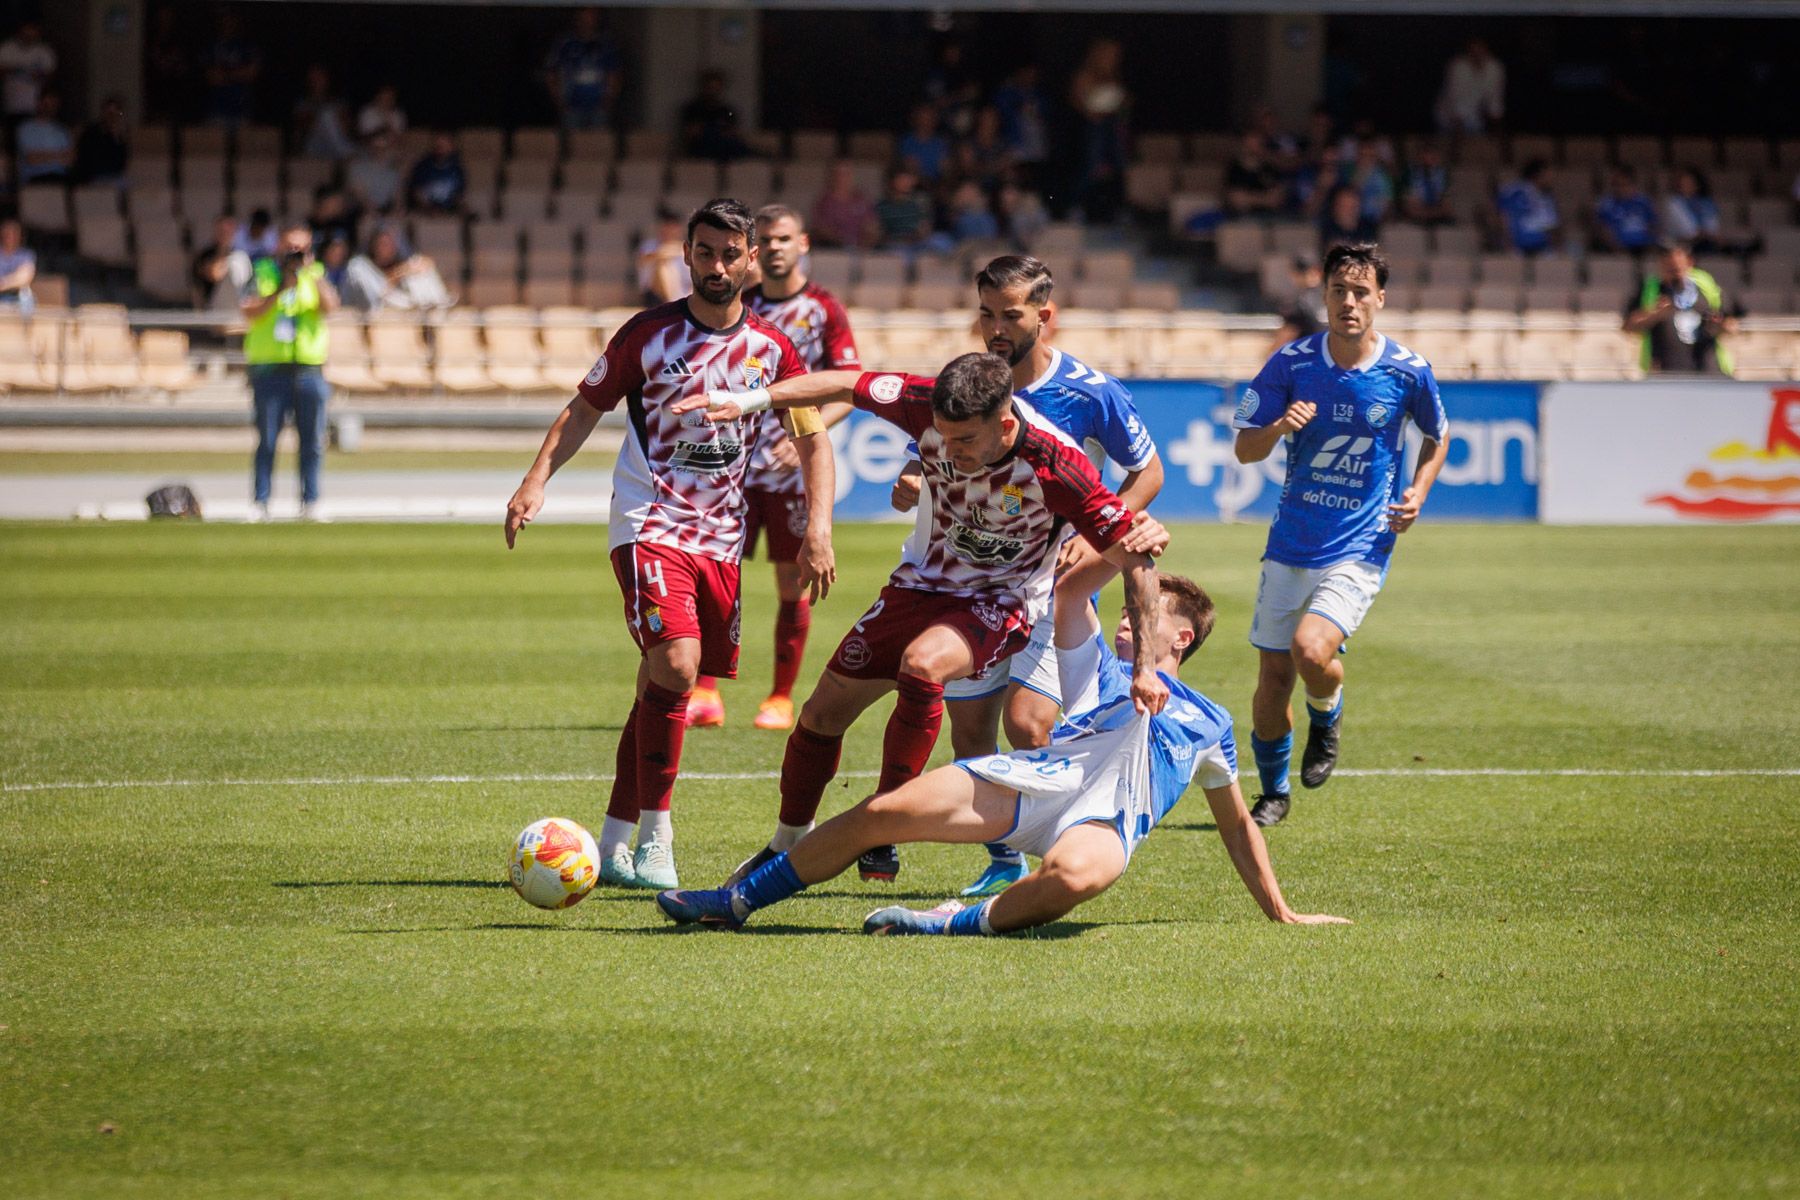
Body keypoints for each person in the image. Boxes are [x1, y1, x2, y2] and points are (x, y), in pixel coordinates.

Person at [656, 544, 1352, 935]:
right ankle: (737, 901)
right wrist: (1120, 545)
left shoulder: (1210, 725)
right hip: (1033, 787)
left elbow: (1237, 828)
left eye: (1144, 613)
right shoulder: (1100, 670)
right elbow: (1071, 597)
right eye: (1128, 610)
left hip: (1102, 822)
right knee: (879, 814)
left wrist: (1281, 912)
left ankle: (952, 922)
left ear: (1181, 637)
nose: (1126, 621)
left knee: (1077, 877)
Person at [676, 350, 1144, 891]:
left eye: (965, 440)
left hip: (999, 600)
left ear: (1006, 423)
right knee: (822, 714)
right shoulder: (920, 401)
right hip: (918, 584)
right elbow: (846, 383)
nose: (949, 449)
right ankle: (785, 843)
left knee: (925, 665)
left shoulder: (1056, 463)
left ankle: (882, 826)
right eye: (943, 437)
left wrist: (1149, 664)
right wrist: (748, 399)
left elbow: (1136, 554)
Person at [503, 199, 835, 892]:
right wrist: (536, 482)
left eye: (730, 253)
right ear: (685, 255)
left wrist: (819, 530)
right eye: (705, 252)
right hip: (649, 525)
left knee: (660, 682)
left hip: (722, 539)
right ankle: (658, 839)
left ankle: (614, 842)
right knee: (681, 667)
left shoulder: (774, 349)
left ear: (750, 260)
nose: (718, 266)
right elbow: (585, 407)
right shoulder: (647, 335)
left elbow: (813, 439)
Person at [916, 255, 1165, 897]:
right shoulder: (968, 385)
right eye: (987, 315)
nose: (995, 329)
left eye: (1011, 315)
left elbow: (1149, 474)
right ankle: (1003, 857)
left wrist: (1095, 533)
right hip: (976, 581)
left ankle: (1062, 844)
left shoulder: (1090, 393)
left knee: (1027, 725)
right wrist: (916, 478)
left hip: (1052, 585)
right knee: (970, 730)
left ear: (1045, 317)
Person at [1232, 242, 1449, 827]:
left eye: (1360, 293)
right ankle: (1274, 792)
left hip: (1361, 544)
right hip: (1290, 542)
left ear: (1380, 298)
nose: (1349, 303)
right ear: (1323, 296)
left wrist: (1418, 493)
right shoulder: (1293, 364)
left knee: (1311, 650)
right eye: (1338, 292)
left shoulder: (1408, 371)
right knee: (1272, 679)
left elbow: (1437, 435)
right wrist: (1279, 426)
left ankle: (1326, 715)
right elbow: (1245, 448)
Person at [688, 205, 861, 732]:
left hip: (787, 475)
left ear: (803, 243)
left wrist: (808, 433)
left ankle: (780, 697)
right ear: (755, 250)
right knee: (717, 574)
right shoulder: (742, 304)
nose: (778, 247)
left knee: (791, 581)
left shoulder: (824, 309)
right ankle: (706, 690)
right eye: (768, 239)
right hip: (732, 471)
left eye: (786, 238)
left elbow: (847, 387)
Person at [241, 220, 340, 523]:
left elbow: (331, 307)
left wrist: (310, 273)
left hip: (308, 368)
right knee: (268, 440)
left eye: (301, 247)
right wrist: (281, 287)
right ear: (278, 245)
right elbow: (249, 309)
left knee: (312, 440)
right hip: (271, 368)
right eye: (289, 246)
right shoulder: (263, 272)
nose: (294, 252)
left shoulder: (317, 274)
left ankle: (310, 501)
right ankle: (261, 501)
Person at [1623, 240, 1741, 376]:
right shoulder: (1650, 289)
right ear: (1660, 265)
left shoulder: (1707, 287)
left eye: (1677, 268)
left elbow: (1732, 326)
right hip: (1665, 374)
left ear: (1689, 262)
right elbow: (1628, 327)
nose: (1674, 273)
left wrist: (1719, 326)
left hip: (1710, 372)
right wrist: (1656, 314)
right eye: (1668, 267)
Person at [1070, 38, 1130, 223]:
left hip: (1112, 131)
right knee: (1091, 168)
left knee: (1119, 169)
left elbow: (1122, 105)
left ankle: (1119, 209)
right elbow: (1080, 103)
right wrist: (1095, 110)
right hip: (1091, 131)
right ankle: (1076, 207)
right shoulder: (1084, 76)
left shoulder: (1114, 77)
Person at [543, 7, 621, 132]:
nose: (587, 22)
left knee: (598, 145)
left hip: (598, 107)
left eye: (591, 18)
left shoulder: (605, 44)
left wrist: (608, 101)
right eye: (583, 19)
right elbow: (551, 73)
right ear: (577, 20)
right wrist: (559, 102)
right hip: (571, 107)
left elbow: (613, 74)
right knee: (572, 146)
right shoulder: (565, 44)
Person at [341, 226, 451, 312]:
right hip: (376, 304)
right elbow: (380, 292)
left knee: (422, 273)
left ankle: (436, 304)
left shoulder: (400, 260)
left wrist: (408, 268)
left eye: (390, 244)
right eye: (383, 244)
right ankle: (430, 305)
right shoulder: (363, 265)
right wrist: (399, 273)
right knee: (356, 266)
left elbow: (426, 262)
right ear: (374, 246)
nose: (387, 248)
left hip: (403, 302)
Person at [200, 9, 260, 129]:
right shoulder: (212, 47)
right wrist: (238, 73)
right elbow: (212, 77)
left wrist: (225, 74)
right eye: (225, 21)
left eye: (232, 21)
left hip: (242, 110)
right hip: (217, 111)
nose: (229, 24)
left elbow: (251, 74)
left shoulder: (247, 46)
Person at [1435, 37, 1505, 135]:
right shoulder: (1457, 67)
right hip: (1449, 120)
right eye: (1474, 50)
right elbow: (1455, 98)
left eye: (1480, 49)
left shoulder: (1495, 68)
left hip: (1476, 121)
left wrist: (1497, 130)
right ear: (1468, 51)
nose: (1477, 54)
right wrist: (1458, 131)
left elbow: (1495, 100)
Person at [292, 64, 356, 162]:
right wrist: (319, 115)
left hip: (335, 144)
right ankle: (346, 152)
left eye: (320, 77)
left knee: (330, 114)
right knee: (327, 115)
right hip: (314, 145)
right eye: (314, 78)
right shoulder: (304, 103)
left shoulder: (337, 101)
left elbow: (347, 127)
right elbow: (302, 126)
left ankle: (346, 151)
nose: (317, 81)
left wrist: (341, 120)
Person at [679, 69, 746, 162]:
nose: (713, 92)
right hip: (700, 149)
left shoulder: (727, 111)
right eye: (710, 88)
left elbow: (733, 132)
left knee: (734, 146)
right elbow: (690, 133)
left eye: (716, 88)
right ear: (704, 88)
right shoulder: (692, 109)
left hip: (725, 148)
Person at [808, 161, 878, 250]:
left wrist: (864, 243)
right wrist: (844, 242)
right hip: (833, 249)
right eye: (839, 174)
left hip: (861, 250)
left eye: (847, 174)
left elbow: (871, 226)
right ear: (832, 176)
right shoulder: (824, 202)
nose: (843, 178)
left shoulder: (861, 199)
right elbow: (821, 229)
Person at [1496, 159, 1558, 255]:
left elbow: (1550, 227)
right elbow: (1503, 216)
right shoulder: (1513, 192)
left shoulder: (1547, 197)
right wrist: (1508, 244)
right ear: (1539, 174)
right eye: (1548, 173)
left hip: (1542, 248)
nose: (1552, 177)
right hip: (1517, 247)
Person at [0, 19, 56, 123]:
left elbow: (50, 75)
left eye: (32, 34)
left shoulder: (44, 51)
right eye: (26, 33)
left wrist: (39, 75)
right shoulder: (6, 48)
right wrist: (14, 69)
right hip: (12, 103)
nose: (29, 37)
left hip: (35, 104)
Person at [1268, 252, 1327, 351]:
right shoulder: (1333, 298)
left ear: (1294, 274)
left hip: (1310, 359)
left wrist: (1268, 356)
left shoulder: (1299, 305)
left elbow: (1283, 340)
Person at [1593, 166, 1658, 256]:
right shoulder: (1607, 204)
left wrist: (1651, 244)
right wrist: (1618, 248)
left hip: (1644, 248)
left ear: (1633, 185)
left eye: (1624, 185)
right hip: (1617, 249)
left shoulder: (1644, 202)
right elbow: (1603, 230)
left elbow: (1653, 226)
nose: (1620, 189)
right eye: (1616, 185)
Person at [192, 214, 251, 311]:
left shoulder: (241, 256)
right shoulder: (206, 255)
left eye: (229, 231)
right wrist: (223, 249)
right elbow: (215, 274)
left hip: (238, 313)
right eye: (222, 231)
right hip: (215, 313)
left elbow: (247, 286)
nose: (226, 234)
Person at [15, 89, 73, 183]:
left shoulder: (62, 130)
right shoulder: (25, 128)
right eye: (47, 104)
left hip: (60, 178)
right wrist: (59, 156)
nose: (50, 108)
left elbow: (70, 160)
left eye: (54, 105)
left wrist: (44, 156)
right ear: (39, 104)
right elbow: (31, 159)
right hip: (35, 178)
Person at [1660, 168, 1721, 253]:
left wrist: (1707, 234)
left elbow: (1713, 229)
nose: (1687, 186)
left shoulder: (1707, 203)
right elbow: (1688, 231)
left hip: (1705, 243)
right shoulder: (1673, 203)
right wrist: (1699, 234)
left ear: (1697, 185)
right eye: (1684, 183)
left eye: (1690, 183)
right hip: (1680, 244)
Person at [636, 208, 689, 304]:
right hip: (653, 294)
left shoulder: (687, 249)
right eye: (666, 225)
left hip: (682, 294)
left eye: (672, 227)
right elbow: (644, 260)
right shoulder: (649, 245)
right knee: (663, 266)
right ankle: (671, 305)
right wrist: (671, 250)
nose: (668, 230)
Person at [73, 95, 128, 186]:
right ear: (103, 112)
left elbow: (121, 164)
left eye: (115, 113)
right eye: (109, 112)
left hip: (113, 176)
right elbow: (86, 158)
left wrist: (117, 139)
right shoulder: (90, 132)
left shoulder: (119, 135)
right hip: (92, 176)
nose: (111, 116)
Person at [1225, 133, 1284, 218]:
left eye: (1257, 145)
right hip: (1240, 219)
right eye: (1250, 145)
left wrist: (1250, 198)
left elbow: (1276, 200)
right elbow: (1236, 200)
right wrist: (1264, 199)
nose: (1253, 149)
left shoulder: (1270, 168)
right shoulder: (1234, 169)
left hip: (1269, 218)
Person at [406, 132, 466, 214]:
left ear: (451, 147)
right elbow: (417, 192)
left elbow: (459, 195)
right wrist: (430, 208)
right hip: (424, 211)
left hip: (448, 212)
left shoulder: (457, 169)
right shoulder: (422, 166)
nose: (441, 148)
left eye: (445, 145)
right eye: (438, 145)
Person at [874, 167, 932, 252]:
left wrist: (922, 233)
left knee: (940, 240)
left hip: (917, 244)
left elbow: (924, 230)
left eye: (908, 179)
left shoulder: (916, 206)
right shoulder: (882, 207)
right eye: (902, 179)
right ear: (893, 181)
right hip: (894, 246)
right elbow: (879, 234)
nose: (906, 182)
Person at [347, 131, 403, 214]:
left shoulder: (393, 171)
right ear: (370, 147)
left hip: (385, 211)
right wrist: (374, 212)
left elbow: (397, 197)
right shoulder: (358, 166)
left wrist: (398, 210)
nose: (380, 152)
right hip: (360, 210)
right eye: (376, 147)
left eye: (384, 148)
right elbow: (360, 196)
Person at [1398, 141, 1452, 225]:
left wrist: (1435, 212)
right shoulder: (1409, 173)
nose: (1428, 161)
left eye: (1432, 158)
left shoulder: (1442, 174)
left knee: (1448, 215)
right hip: (1415, 213)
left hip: (1437, 212)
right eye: (1424, 157)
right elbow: (1408, 204)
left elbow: (1446, 203)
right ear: (1419, 157)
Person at [897, 103, 949, 184]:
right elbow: (907, 167)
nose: (926, 122)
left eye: (930, 118)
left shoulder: (942, 142)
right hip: (914, 184)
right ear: (916, 119)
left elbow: (945, 170)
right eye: (923, 118)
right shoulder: (906, 142)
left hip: (938, 185)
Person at [1319, 184, 1378, 250]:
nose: (1349, 210)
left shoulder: (1368, 228)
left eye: (1352, 205)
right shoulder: (1326, 228)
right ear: (1335, 206)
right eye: (1344, 205)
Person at [0, 218, 37, 314]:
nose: (11, 236)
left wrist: (3, 283)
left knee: (27, 298)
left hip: (17, 297)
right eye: (7, 233)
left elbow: (25, 277)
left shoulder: (26, 254)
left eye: (14, 233)